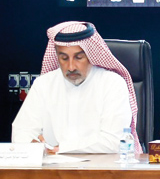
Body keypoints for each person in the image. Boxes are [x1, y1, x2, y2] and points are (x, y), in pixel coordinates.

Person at [11, 21, 138, 155]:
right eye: (64, 58)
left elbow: (114, 141)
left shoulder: (113, 83)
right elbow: (21, 132)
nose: (71, 67)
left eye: (79, 57)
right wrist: (32, 144)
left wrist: (61, 148)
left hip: (101, 166)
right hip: (53, 166)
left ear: (91, 55)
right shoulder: (43, 84)